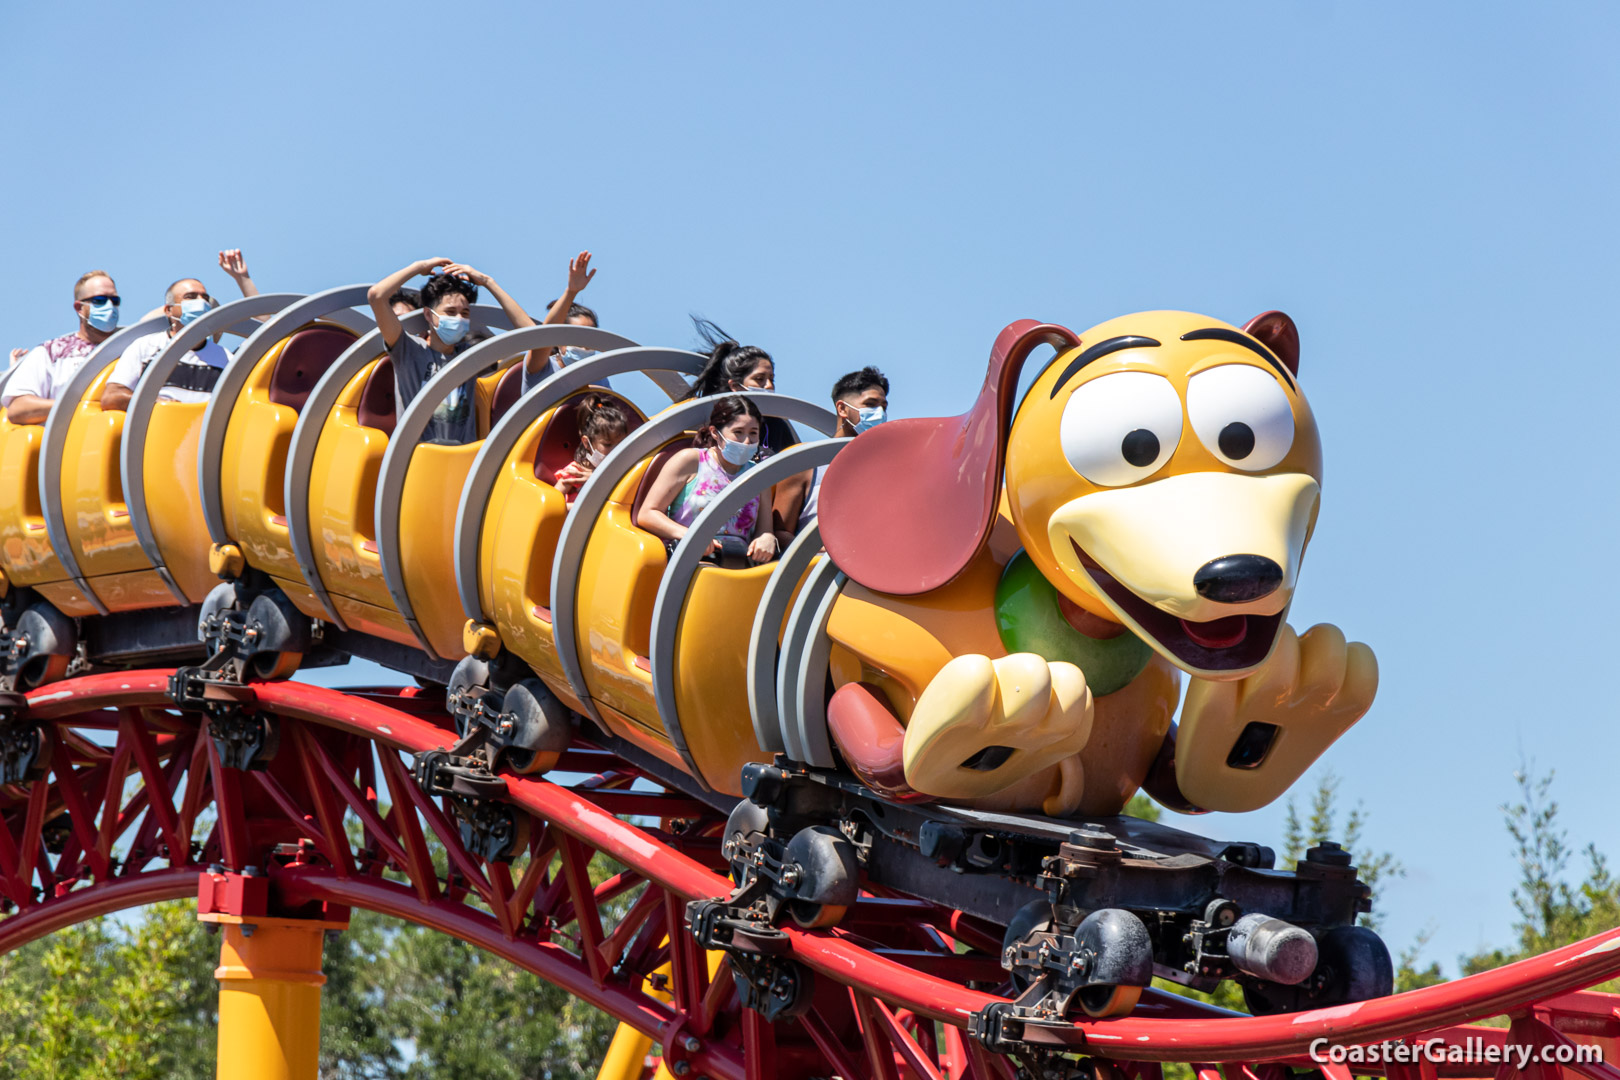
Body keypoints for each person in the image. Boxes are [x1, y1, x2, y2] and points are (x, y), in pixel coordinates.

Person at [365, 258, 538, 445]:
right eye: (450, 312)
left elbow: (534, 336)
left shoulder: (469, 355)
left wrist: (488, 282)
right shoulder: (408, 350)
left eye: (464, 314)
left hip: (461, 462)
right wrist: (418, 267)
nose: (458, 319)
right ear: (429, 315)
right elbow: (376, 296)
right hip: (419, 459)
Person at [636, 396, 784, 566]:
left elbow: (764, 530)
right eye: (738, 432)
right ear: (715, 432)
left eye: (753, 433)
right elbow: (648, 513)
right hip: (689, 565)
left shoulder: (758, 474)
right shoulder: (690, 461)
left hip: (740, 570)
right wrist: (691, 536)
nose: (747, 441)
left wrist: (767, 538)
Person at [4, 270, 123, 424]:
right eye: (99, 300)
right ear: (79, 308)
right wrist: (78, 406)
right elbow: (18, 408)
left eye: (114, 301)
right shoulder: (51, 352)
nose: (109, 306)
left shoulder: (132, 347)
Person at [784, 365, 890, 534]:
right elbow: (780, 534)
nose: (880, 413)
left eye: (883, 407)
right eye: (870, 404)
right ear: (842, 409)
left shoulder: (888, 471)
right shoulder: (805, 464)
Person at [102, 278, 233, 409]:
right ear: (169, 310)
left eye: (205, 298)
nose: (201, 302)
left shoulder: (226, 358)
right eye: (190, 297)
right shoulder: (145, 347)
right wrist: (160, 404)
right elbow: (112, 397)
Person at [683, 318, 794, 457]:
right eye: (759, 379)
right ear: (735, 386)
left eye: (772, 379)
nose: (769, 385)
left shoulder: (776, 425)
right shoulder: (710, 421)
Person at [520, 251, 607, 392]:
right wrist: (571, 292)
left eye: (590, 342)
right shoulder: (541, 369)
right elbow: (545, 336)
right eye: (578, 340)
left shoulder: (600, 379)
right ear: (560, 342)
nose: (585, 347)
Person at [553, 394, 630, 503]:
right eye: (607, 444)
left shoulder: (623, 471)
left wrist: (599, 480)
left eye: (621, 444)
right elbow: (552, 505)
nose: (615, 450)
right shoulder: (575, 473)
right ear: (587, 443)